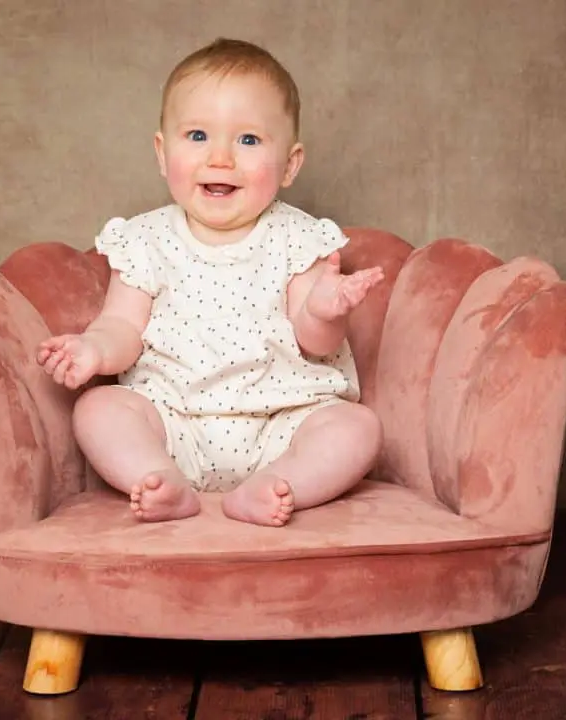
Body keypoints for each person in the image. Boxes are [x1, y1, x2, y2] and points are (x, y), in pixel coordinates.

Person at [37, 38, 384, 527]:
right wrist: (93, 350)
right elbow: (122, 325)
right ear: (162, 152)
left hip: (281, 421)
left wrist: (327, 310)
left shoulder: (301, 238)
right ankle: (159, 479)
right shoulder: (143, 239)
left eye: (247, 140)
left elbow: (316, 342)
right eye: (197, 136)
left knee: (357, 428)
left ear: (289, 164)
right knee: (98, 409)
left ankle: (280, 484)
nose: (220, 157)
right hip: (174, 421)